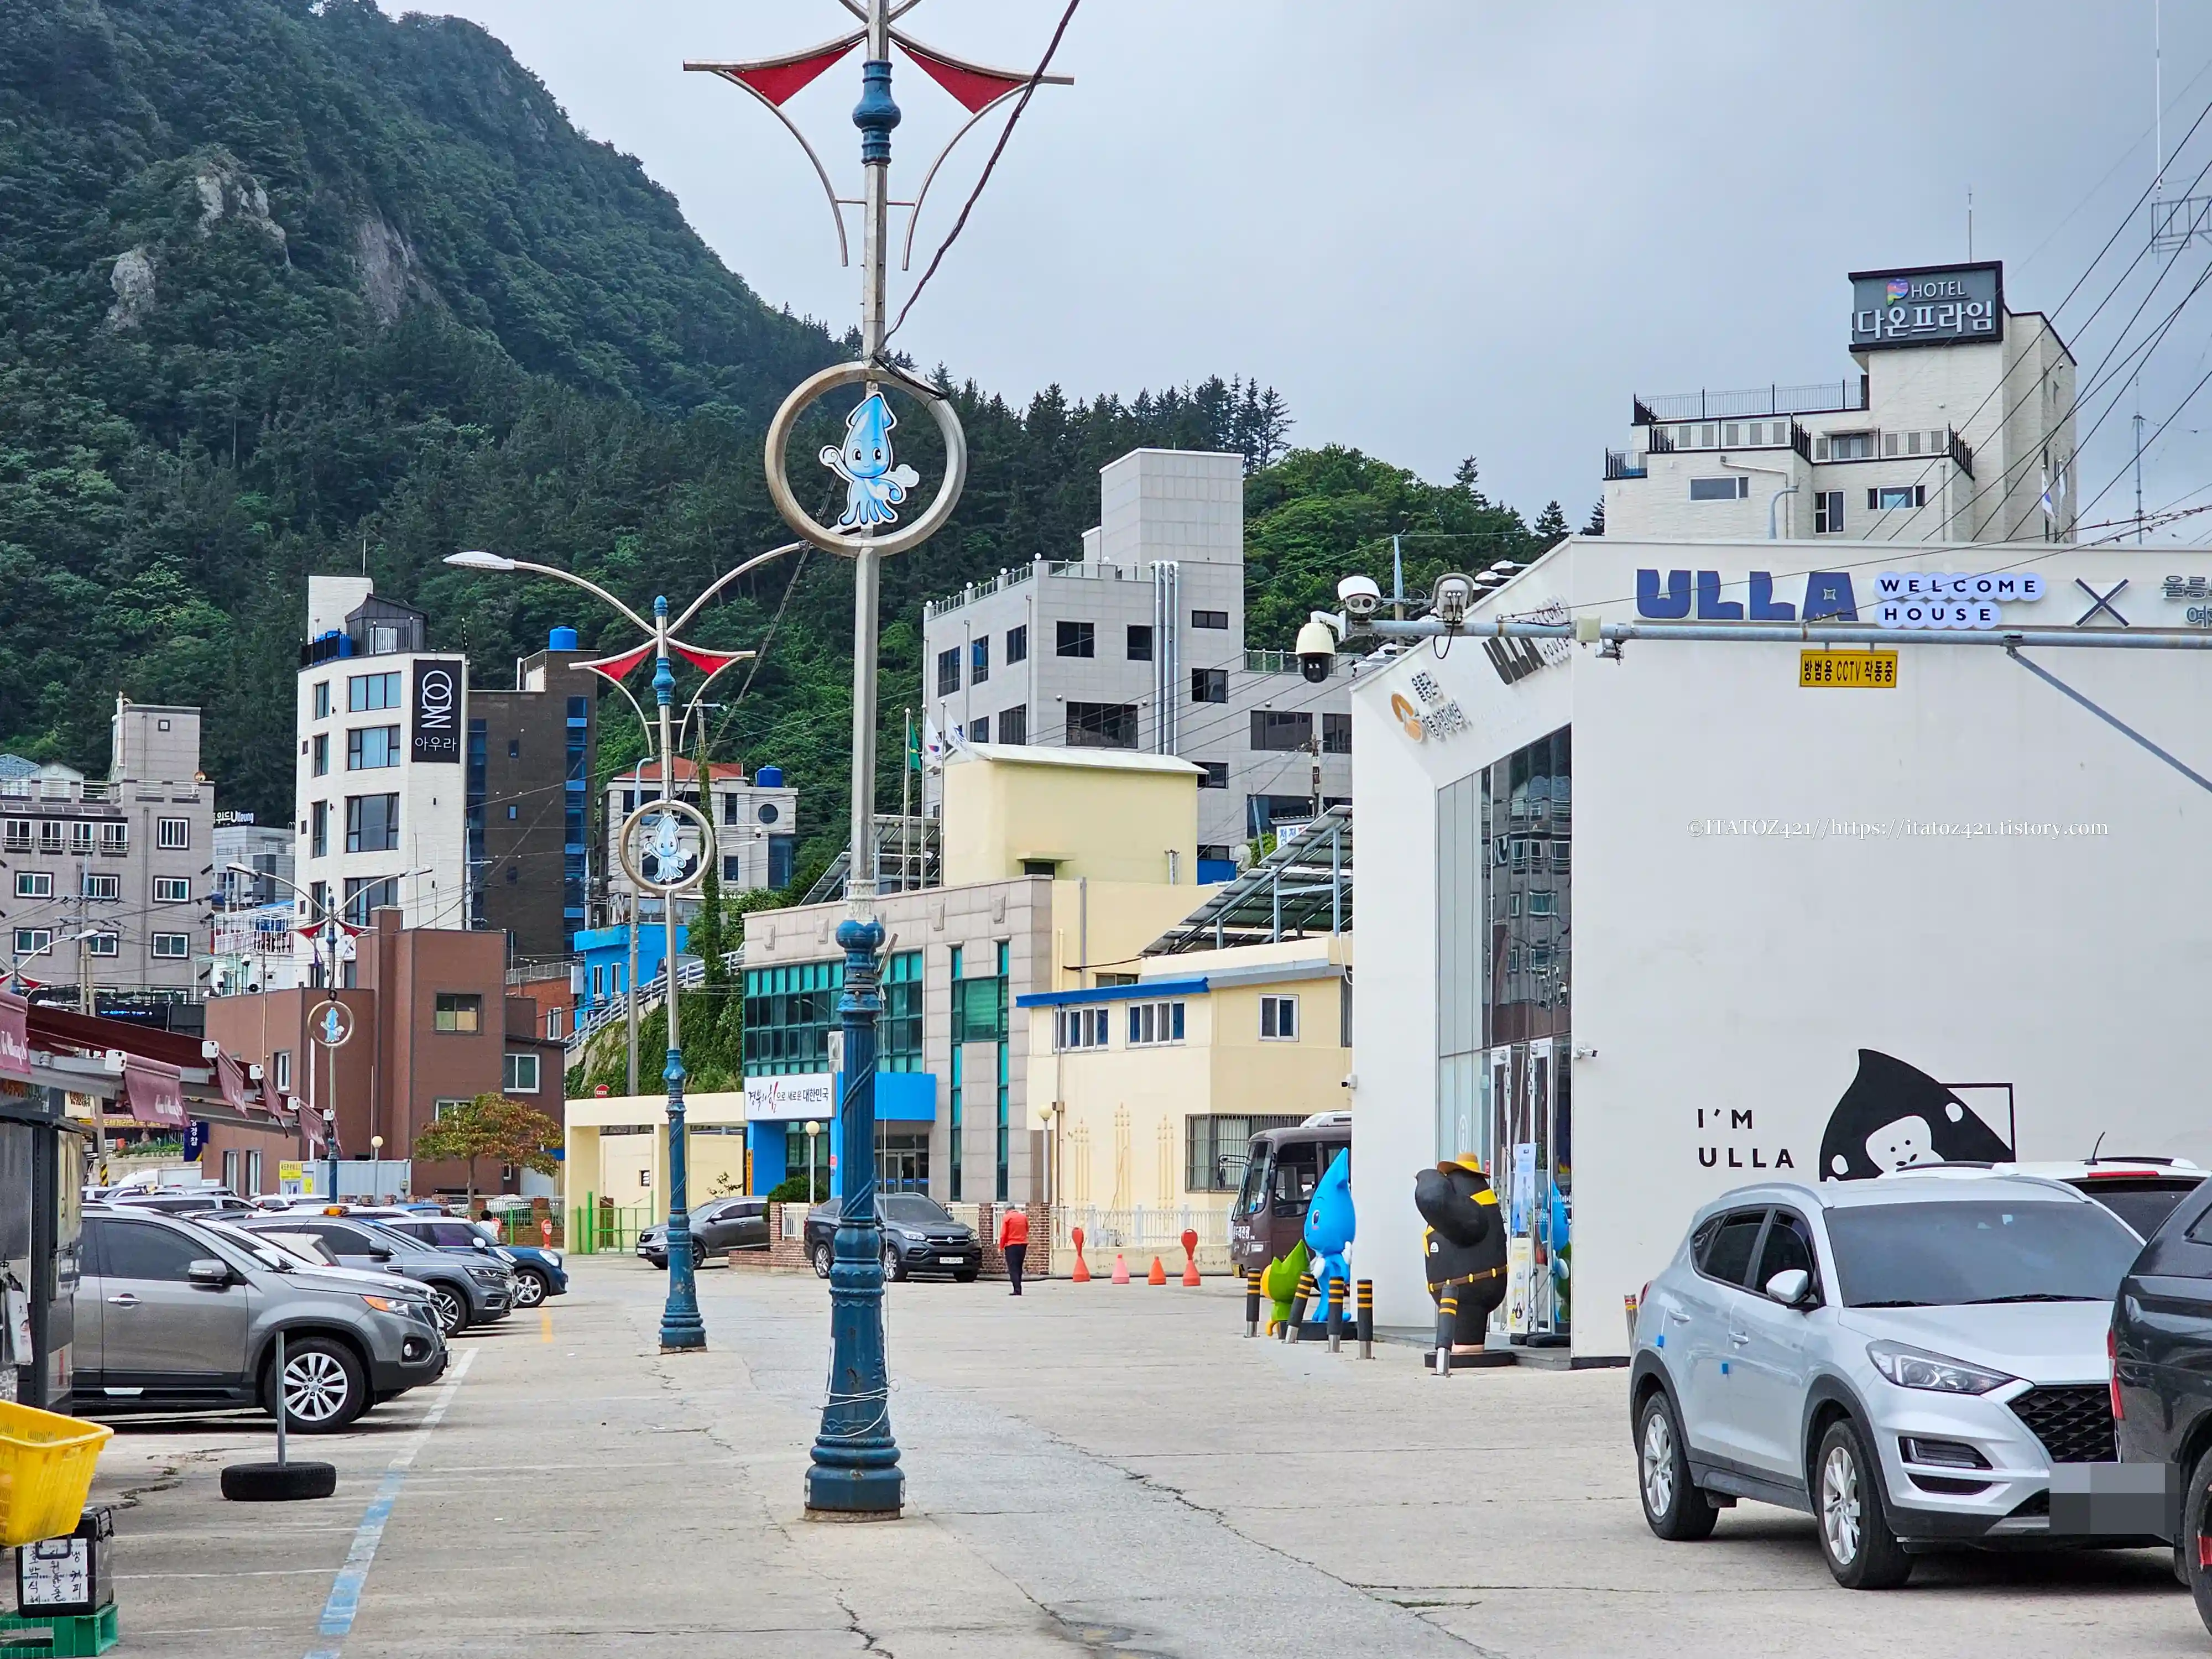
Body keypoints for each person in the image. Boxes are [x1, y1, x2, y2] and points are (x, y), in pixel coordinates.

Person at [999, 1205, 1029, 1296]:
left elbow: (1004, 1234)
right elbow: (1027, 1229)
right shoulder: (1023, 1217)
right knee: (1019, 1267)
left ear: (1007, 1210)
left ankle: (1017, 1289)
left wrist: (1001, 1247)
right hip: (1023, 1244)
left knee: (1013, 1268)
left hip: (1012, 1245)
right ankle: (1019, 1287)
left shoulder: (1007, 1218)